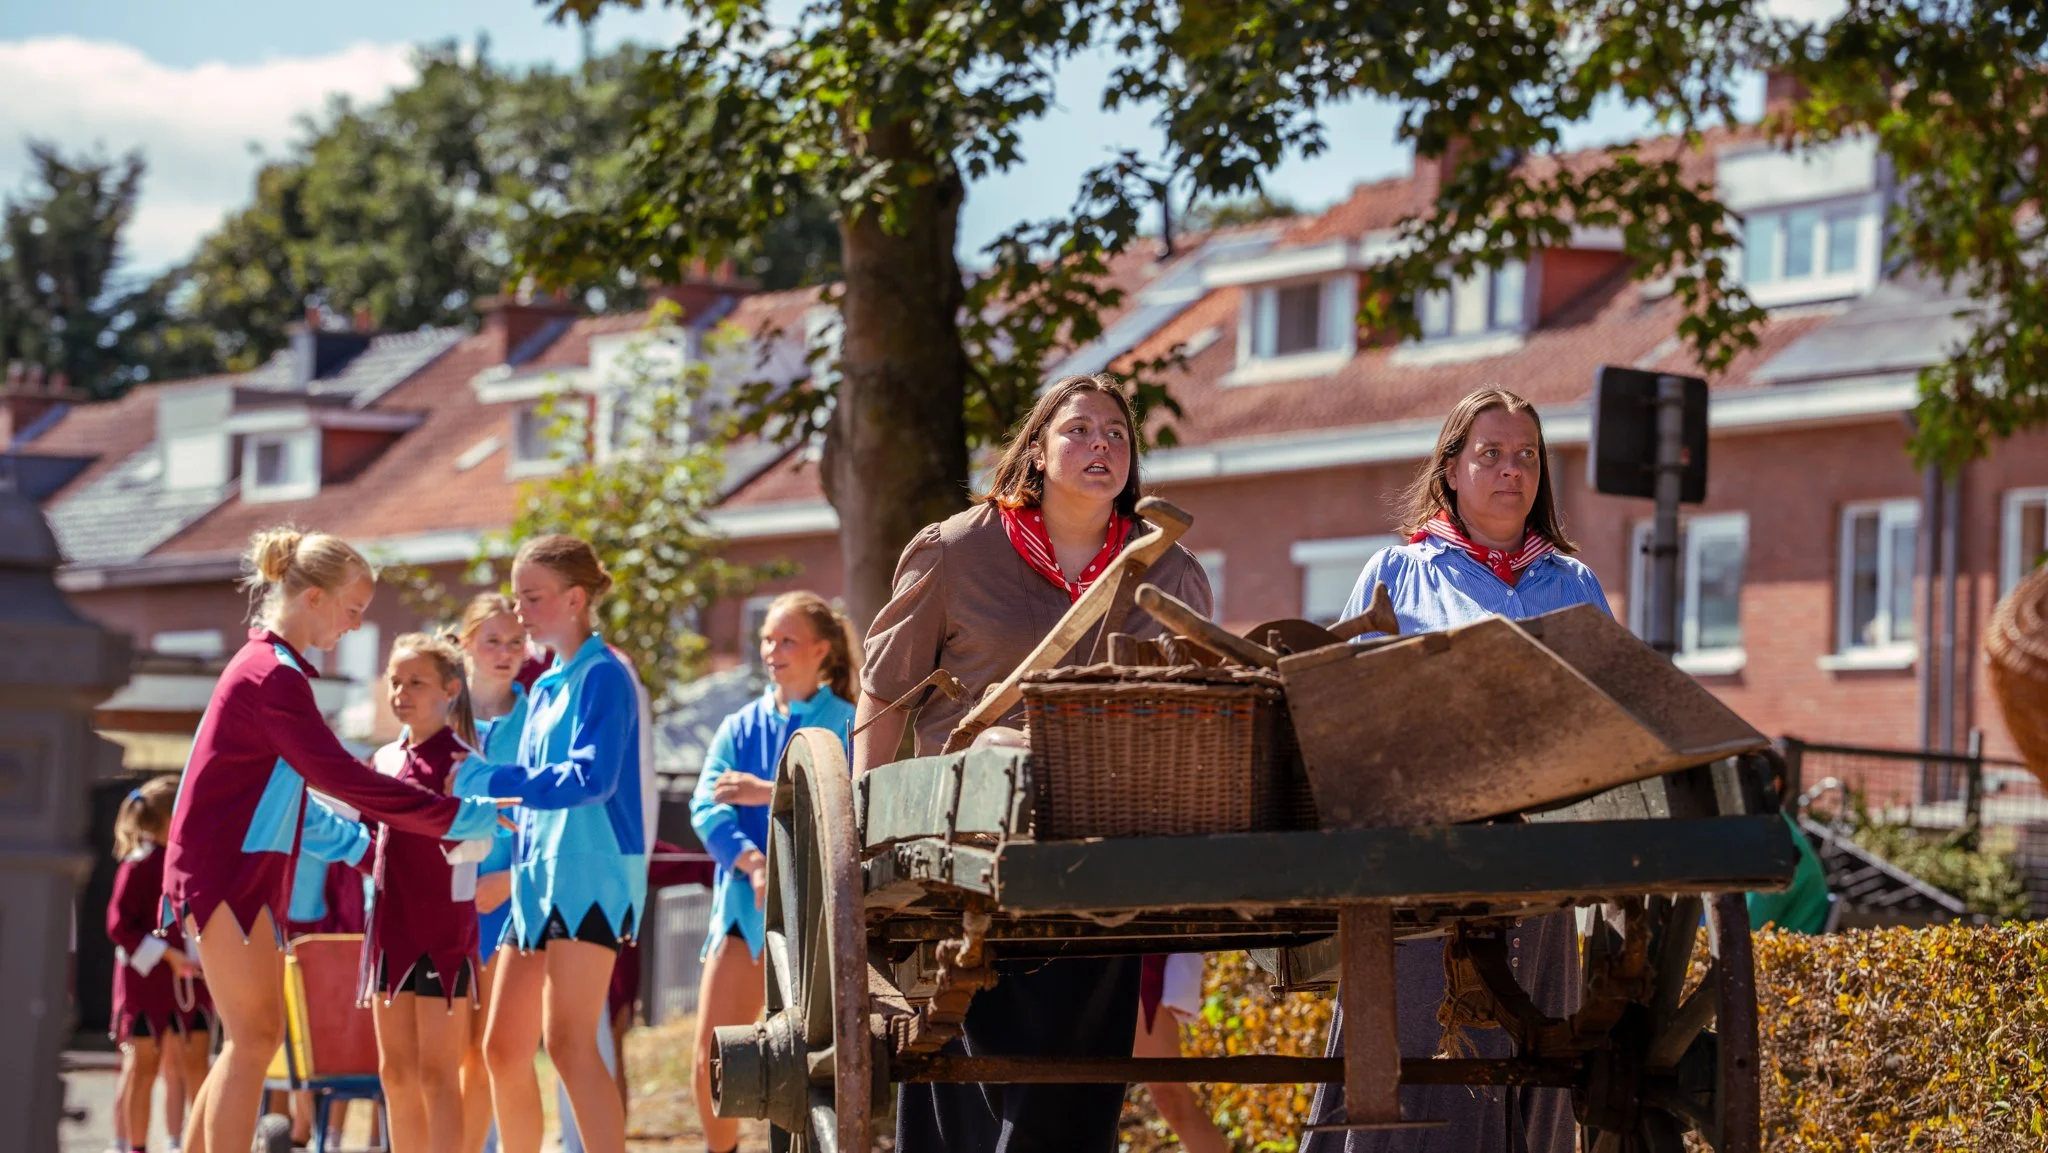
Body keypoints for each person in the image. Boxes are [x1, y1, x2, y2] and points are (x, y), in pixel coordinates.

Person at [854, 372, 1213, 1153]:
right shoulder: (956, 549)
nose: (1101, 447)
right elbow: (884, 695)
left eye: (1116, 434)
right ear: (1038, 451)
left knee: (1074, 1089)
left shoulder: (1170, 571)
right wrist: (859, 830)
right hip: (964, 852)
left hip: (1105, 857)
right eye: (1079, 431)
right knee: (962, 1082)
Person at [1298, 388, 1609, 1153]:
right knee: (1399, 1052)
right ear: (1451, 468)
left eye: (1527, 456)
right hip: (1413, 869)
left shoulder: (1574, 583)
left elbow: (1602, 723)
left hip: (1536, 865)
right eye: (1492, 454)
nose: (1512, 471)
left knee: (1531, 1052)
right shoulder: (1396, 573)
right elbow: (1343, 715)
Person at [163, 527, 506, 1153]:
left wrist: (366, 850)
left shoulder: (273, 667)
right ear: (314, 598)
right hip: (228, 875)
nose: (353, 626)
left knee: (248, 1039)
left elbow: (292, 797)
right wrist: (452, 817)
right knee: (255, 1038)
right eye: (352, 610)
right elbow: (338, 776)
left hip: (238, 872)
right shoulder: (274, 675)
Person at [477, 535, 646, 1153]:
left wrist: (499, 781)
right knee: (501, 1047)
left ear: (576, 599)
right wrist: (492, 805)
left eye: (532, 597)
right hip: (536, 877)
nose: (519, 612)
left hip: (591, 875)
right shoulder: (545, 683)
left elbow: (592, 779)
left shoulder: (606, 674)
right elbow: (530, 792)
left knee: (572, 1045)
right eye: (517, 596)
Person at [689, 591, 859, 1153]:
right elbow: (705, 805)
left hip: (819, 921)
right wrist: (751, 859)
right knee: (712, 1060)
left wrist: (765, 793)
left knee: (807, 1070)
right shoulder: (740, 725)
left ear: (822, 650)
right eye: (766, 638)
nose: (772, 650)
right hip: (742, 910)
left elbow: (850, 803)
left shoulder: (849, 723)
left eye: (787, 640)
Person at [367, 633, 490, 1153]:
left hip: (442, 933)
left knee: (438, 1073)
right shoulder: (381, 760)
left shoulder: (466, 764)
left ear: (450, 690)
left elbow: (481, 841)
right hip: (389, 933)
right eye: (395, 681)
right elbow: (369, 844)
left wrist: (442, 825)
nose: (401, 692)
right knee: (394, 1071)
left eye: (416, 681)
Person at [453, 593, 529, 1153]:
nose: (505, 653)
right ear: (464, 644)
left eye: (516, 641)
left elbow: (558, 815)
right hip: (445, 906)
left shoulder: (540, 715)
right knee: (446, 1056)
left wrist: (513, 882)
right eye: (492, 640)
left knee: (491, 1051)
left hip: (510, 908)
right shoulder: (439, 719)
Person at [106, 777, 210, 1153]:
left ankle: (198, 1143)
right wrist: (168, 955)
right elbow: (119, 925)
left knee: (198, 1063)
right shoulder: (138, 865)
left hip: (192, 980)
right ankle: (135, 1146)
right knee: (144, 1066)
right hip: (146, 982)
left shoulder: (191, 859)